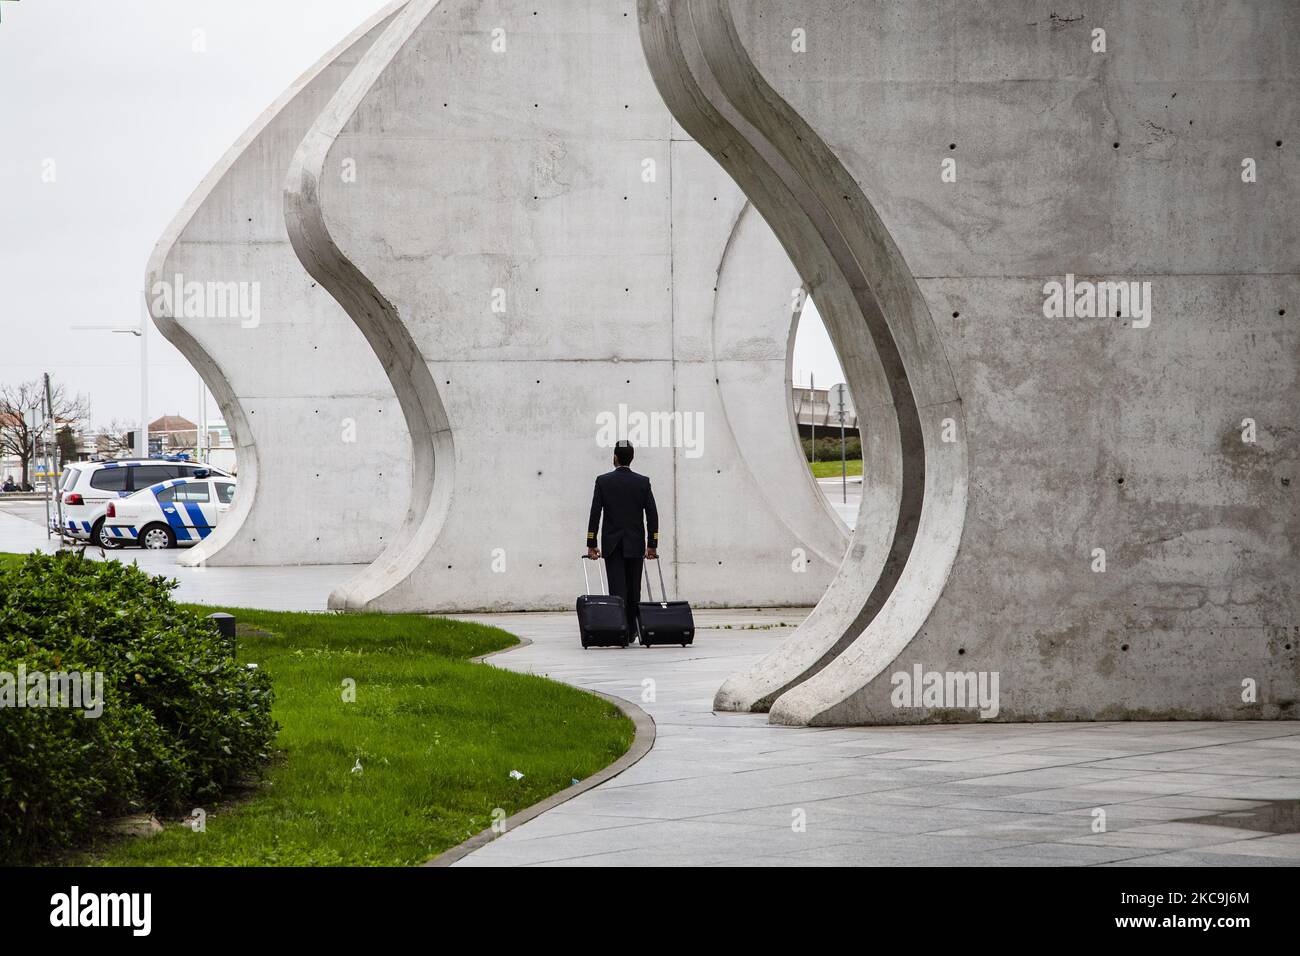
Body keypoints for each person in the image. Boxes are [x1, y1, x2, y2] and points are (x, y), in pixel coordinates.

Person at [586, 439, 659, 642]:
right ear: (632, 458)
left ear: (615, 457)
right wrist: (652, 544)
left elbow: (595, 514)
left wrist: (591, 543)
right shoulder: (643, 482)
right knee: (634, 589)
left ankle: (620, 629)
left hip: (612, 544)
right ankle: (633, 630)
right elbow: (652, 516)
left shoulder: (603, 481)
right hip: (635, 544)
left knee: (617, 590)